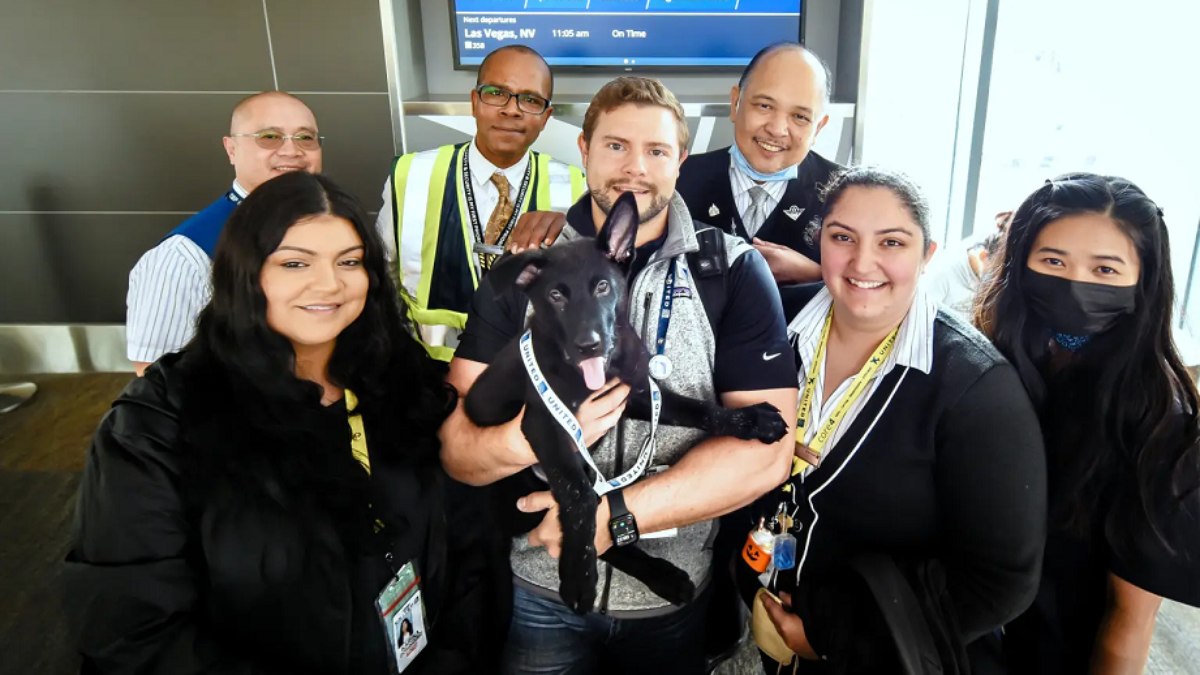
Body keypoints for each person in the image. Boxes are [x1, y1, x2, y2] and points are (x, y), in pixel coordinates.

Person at [69, 172, 503, 674]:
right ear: (247, 273)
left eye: (350, 262)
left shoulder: (402, 386)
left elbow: (468, 550)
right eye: (295, 262)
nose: (329, 284)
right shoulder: (158, 427)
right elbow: (134, 631)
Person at [439, 76, 798, 675]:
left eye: (657, 151)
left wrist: (611, 517)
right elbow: (456, 449)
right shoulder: (527, 266)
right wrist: (527, 436)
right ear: (582, 149)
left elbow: (767, 454)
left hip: (671, 595)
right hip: (537, 589)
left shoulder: (732, 270)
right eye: (615, 146)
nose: (636, 167)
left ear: (681, 160)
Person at [741, 167, 1046, 673]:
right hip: (770, 626)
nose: (863, 262)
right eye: (843, 238)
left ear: (928, 254)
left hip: (889, 656)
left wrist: (834, 635)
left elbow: (1001, 582)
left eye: (893, 242)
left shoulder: (975, 385)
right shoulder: (773, 326)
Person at [974, 174, 1200, 673]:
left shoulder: (1157, 421)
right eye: (1053, 261)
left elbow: (1128, 624)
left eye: (1105, 269)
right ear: (1019, 264)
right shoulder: (993, 360)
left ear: (1143, 281)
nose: (1076, 286)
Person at [375, 44, 586, 361]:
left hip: (526, 383)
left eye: (530, 100)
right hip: (427, 380)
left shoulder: (574, 189)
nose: (511, 109)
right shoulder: (411, 176)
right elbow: (382, 281)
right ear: (475, 101)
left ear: (546, 117)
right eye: (496, 92)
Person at [126, 91, 322, 375]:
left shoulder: (329, 226)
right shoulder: (184, 257)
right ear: (231, 149)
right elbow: (156, 374)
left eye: (305, 137)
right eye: (269, 137)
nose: (292, 151)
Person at [675, 42, 841, 285]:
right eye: (764, 106)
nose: (776, 129)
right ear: (735, 103)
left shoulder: (845, 194)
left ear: (819, 127)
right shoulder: (677, 179)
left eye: (800, 117)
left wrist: (817, 275)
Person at [924, 209, 1012, 317]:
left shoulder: (990, 283)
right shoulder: (943, 273)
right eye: (996, 269)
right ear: (983, 256)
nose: (998, 276)